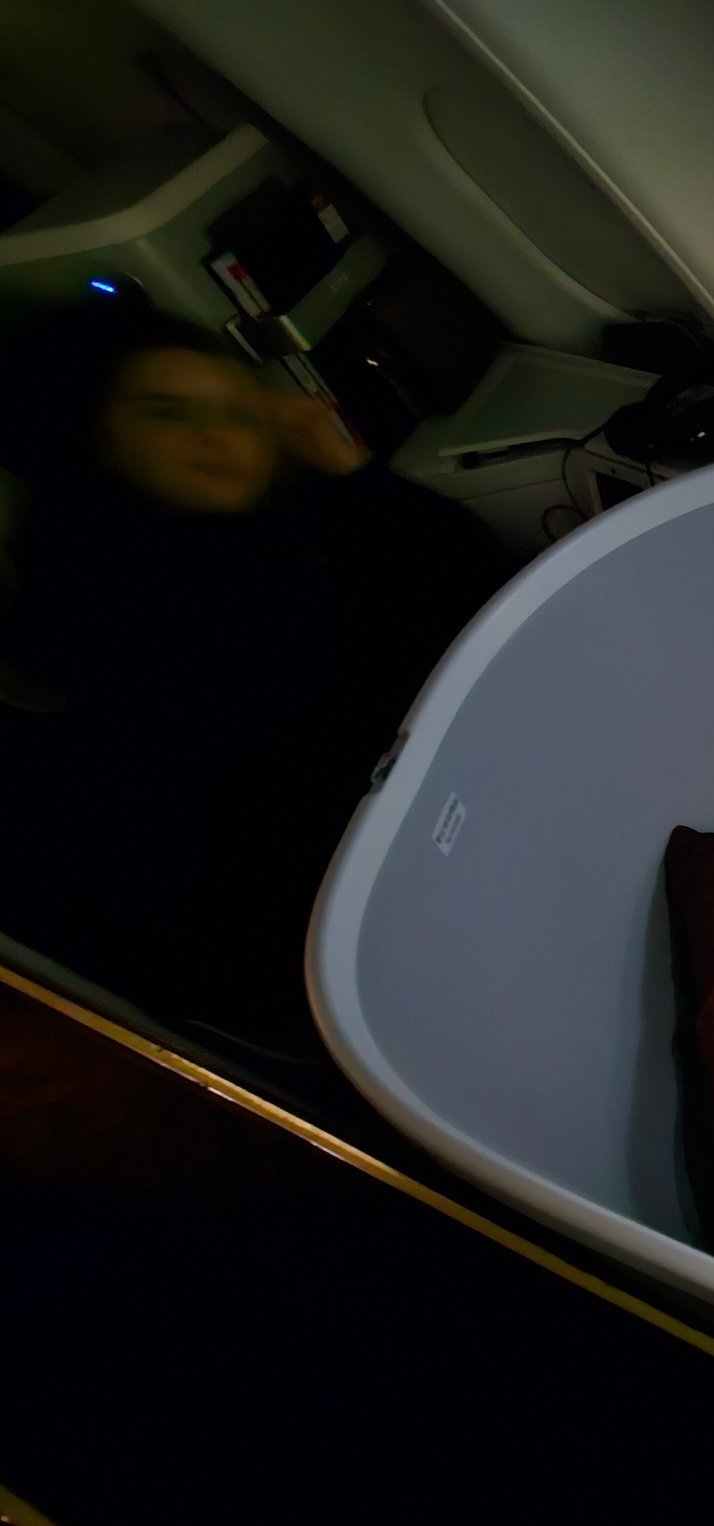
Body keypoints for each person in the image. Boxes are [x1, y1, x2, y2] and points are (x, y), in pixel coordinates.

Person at [0, 301, 510, 1054]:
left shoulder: (291, 526)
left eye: (240, 413)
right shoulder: (96, 585)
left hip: (450, 809)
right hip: (347, 898)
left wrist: (348, 474)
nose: (218, 435)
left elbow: (481, 585)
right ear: (98, 437)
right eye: (167, 413)